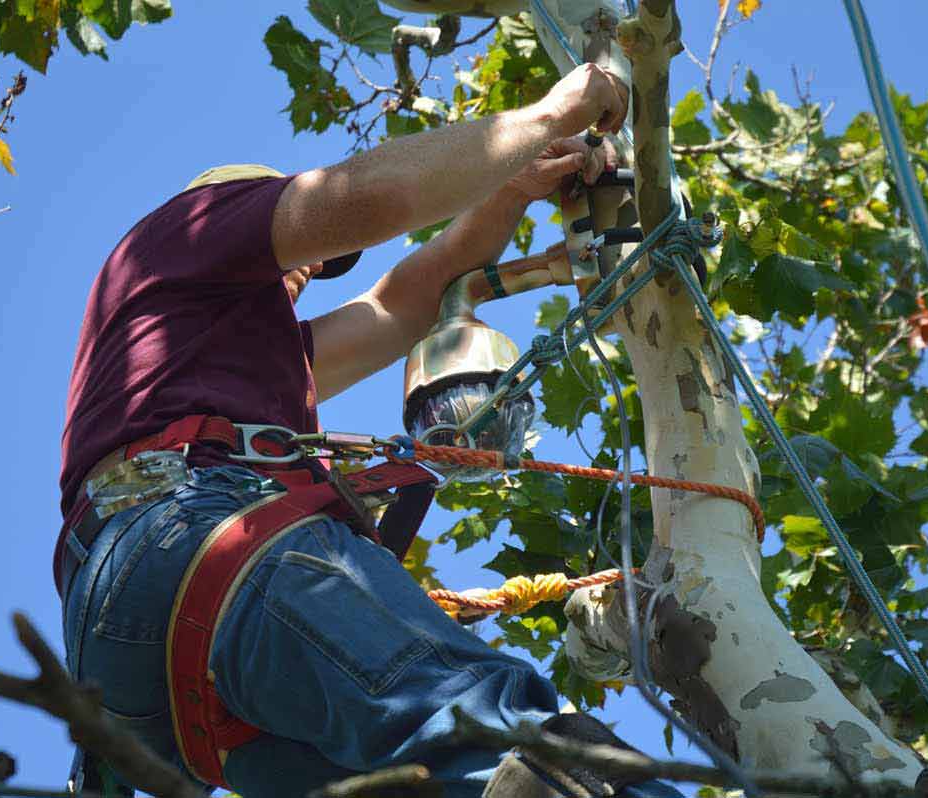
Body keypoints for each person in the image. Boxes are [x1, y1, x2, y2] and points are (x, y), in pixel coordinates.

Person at [56, 62, 686, 798]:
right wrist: (555, 111)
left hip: (138, 667)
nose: (314, 265)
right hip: (195, 531)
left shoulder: (224, 354)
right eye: (300, 249)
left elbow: (406, 299)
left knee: (436, 783)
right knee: (506, 735)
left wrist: (514, 188)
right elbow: (365, 197)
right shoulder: (186, 233)